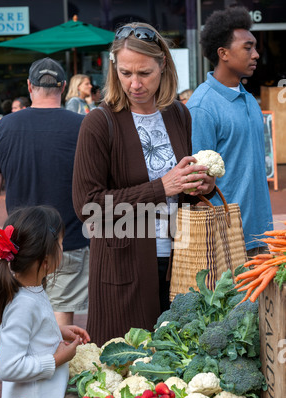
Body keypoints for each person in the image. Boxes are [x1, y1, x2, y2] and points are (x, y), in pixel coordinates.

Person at [72, 22, 216, 346]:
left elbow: (180, 193)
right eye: (125, 73)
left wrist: (199, 185)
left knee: (177, 370)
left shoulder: (179, 114)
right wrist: (159, 187)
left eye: (144, 73)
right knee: (127, 371)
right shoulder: (99, 122)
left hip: (179, 265)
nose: (134, 84)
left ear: (163, 65)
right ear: (114, 69)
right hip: (124, 270)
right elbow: (87, 206)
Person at [0, 57, 90, 327]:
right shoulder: (82, 127)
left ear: (30, 88)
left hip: (20, 241)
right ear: (64, 87)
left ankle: (32, 366)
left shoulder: (3, 127)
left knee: (24, 310)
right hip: (69, 240)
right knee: (61, 315)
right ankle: (58, 368)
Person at [0, 205, 90, 398]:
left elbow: (30, 333)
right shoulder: (22, 304)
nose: (63, 249)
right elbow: (7, 368)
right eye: (61, 245)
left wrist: (57, 331)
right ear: (45, 261)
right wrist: (56, 360)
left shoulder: (31, 289)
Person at [186, 6, 273, 256]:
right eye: (248, 47)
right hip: (226, 243)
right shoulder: (202, 107)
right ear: (223, 53)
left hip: (262, 236)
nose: (256, 54)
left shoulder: (249, 100)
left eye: (255, 46)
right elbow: (196, 188)